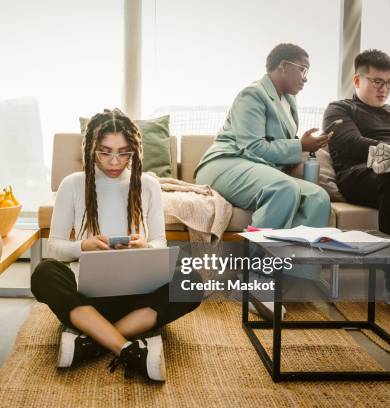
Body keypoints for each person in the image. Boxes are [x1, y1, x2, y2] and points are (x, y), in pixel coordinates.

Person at [31, 109, 201, 381]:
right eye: (105, 152)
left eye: (124, 153)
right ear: (90, 149)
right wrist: (83, 247)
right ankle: (130, 348)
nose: (114, 161)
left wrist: (146, 247)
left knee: (192, 280)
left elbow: (160, 242)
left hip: (137, 297)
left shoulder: (148, 185)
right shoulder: (72, 184)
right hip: (87, 298)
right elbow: (54, 247)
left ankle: (91, 342)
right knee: (43, 273)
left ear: (135, 150)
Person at [323, 49, 390, 324]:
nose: (384, 88)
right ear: (357, 80)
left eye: (389, 82)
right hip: (362, 175)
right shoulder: (340, 109)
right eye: (377, 81)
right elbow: (349, 144)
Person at [194, 43, 331, 231]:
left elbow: (278, 144)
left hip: (260, 169)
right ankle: (260, 260)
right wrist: (300, 146)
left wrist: (305, 145)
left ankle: (294, 260)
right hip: (228, 163)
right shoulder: (253, 94)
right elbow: (253, 147)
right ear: (283, 65)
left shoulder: (289, 101)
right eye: (303, 70)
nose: (305, 79)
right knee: (284, 188)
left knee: (318, 198)